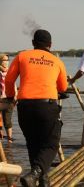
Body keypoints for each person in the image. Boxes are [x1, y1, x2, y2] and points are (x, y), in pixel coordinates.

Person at [5, 29, 68, 186]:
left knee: (33, 143)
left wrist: (11, 96)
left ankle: (42, 180)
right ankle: (35, 174)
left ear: (33, 43)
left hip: (25, 106)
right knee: (51, 143)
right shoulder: (57, 61)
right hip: (47, 106)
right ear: (50, 45)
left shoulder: (22, 56)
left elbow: (9, 80)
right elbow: (63, 87)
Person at [0, 53, 16, 143]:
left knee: (7, 120)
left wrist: (16, 95)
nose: (6, 62)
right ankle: (1, 140)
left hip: (9, 98)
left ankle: (10, 140)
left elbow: (13, 84)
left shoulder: (10, 71)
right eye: (4, 60)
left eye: (7, 60)